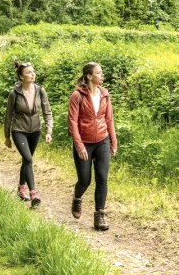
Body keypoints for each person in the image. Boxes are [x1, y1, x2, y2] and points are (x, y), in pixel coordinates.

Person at [67, 62, 118, 231]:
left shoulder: (105, 94)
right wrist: (79, 145)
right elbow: (72, 122)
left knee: (102, 178)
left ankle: (100, 216)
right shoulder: (77, 96)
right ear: (89, 76)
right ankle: (77, 197)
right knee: (85, 180)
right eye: (99, 73)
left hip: (102, 140)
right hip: (84, 142)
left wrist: (113, 141)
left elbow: (109, 119)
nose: (102, 75)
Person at [4, 61, 53, 207]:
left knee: (27, 160)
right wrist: (7, 136)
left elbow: (47, 112)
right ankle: (33, 193)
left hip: (35, 131)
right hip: (19, 130)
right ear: (21, 77)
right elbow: (8, 116)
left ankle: (21, 187)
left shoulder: (40, 91)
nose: (33, 74)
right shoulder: (15, 93)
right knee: (28, 159)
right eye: (29, 72)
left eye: (33, 71)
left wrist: (49, 131)